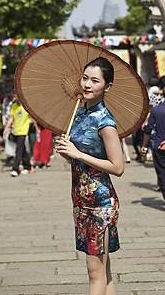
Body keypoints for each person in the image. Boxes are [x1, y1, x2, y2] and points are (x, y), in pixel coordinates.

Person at [55, 57, 124, 295]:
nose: (87, 84)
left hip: (100, 204)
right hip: (81, 201)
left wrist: (79, 154)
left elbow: (118, 167)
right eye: (84, 78)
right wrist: (67, 152)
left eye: (95, 80)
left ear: (107, 86)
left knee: (94, 272)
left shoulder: (106, 122)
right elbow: (78, 160)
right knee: (104, 272)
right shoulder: (80, 114)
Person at [3, 94, 32, 177]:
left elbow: (31, 117)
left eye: (16, 97)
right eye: (14, 97)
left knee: (18, 150)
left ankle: (15, 169)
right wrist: (6, 128)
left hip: (23, 131)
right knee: (22, 150)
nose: (14, 98)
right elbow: (11, 118)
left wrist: (36, 128)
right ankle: (28, 166)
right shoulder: (14, 106)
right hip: (15, 131)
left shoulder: (26, 106)